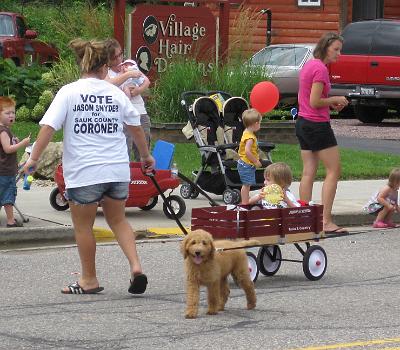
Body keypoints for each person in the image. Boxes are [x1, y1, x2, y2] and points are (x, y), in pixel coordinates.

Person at [23, 38, 155, 295]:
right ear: (105, 66)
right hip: (116, 169)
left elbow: (48, 128)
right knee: (118, 220)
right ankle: (136, 267)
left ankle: (89, 280)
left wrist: (33, 159)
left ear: (81, 64)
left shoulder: (69, 92)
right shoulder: (116, 93)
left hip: (84, 172)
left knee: (83, 226)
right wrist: (146, 156)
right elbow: (136, 127)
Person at [296, 32, 349, 234]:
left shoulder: (309, 65)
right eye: (336, 49)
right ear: (325, 47)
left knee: (309, 171)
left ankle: (303, 218)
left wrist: (332, 104)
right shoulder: (320, 69)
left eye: (340, 50)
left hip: (303, 122)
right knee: (333, 171)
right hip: (317, 126)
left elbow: (312, 100)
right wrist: (335, 98)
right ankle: (326, 221)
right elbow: (315, 101)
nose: (338, 54)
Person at [105, 39, 151, 161]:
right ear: (108, 59)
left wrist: (138, 90)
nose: (119, 59)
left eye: (120, 54)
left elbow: (145, 80)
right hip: (122, 117)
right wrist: (128, 75)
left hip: (139, 111)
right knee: (125, 149)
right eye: (115, 57)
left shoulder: (129, 65)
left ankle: (144, 176)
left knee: (143, 148)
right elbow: (109, 84)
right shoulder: (106, 72)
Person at [0, 96, 31, 227]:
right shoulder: (3, 131)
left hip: (4, 170)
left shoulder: (6, 130)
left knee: (3, 194)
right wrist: (23, 144)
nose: (11, 115)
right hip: (5, 171)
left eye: (13, 112)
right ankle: (11, 221)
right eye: (7, 113)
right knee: (8, 195)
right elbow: (7, 149)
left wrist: (16, 142)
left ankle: (10, 219)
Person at [237, 108, 262, 204]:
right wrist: (256, 161)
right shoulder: (250, 137)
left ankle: (245, 200)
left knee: (247, 185)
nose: (260, 125)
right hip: (246, 164)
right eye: (259, 123)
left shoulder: (246, 132)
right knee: (246, 185)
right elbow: (247, 151)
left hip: (244, 163)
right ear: (256, 124)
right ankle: (245, 203)